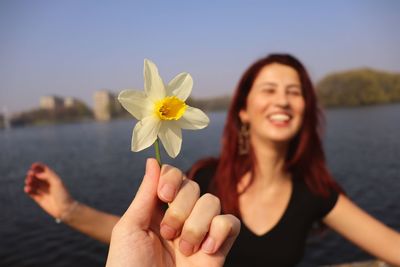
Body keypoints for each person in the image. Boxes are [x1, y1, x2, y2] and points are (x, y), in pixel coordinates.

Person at [24, 54, 400, 266]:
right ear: (243, 111)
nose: (283, 100)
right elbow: (148, 237)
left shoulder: (315, 191)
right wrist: (68, 208)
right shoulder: (202, 178)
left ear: (306, 109)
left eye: (295, 92)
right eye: (269, 90)